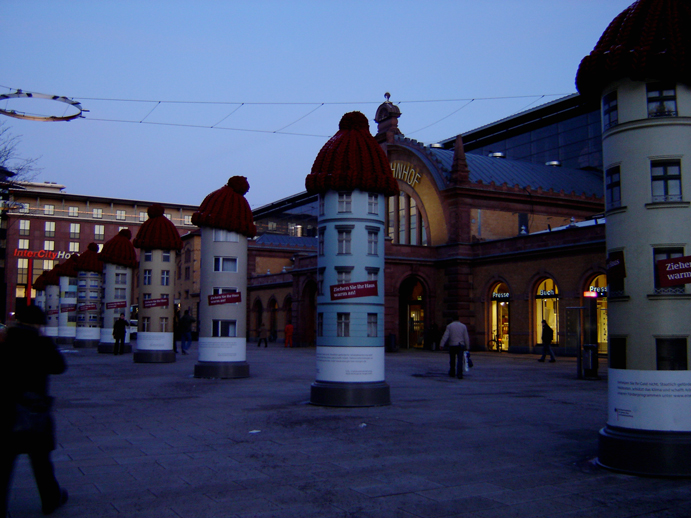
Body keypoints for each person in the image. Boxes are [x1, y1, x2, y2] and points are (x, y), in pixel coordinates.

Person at [1, 305, 68, 516]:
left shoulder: (5, 342)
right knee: (41, 461)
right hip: (34, 410)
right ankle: (50, 499)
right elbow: (59, 366)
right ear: (38, 324)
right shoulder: (41, 343)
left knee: (4, 464)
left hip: (6, 411)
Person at [439, 315, 470, 379]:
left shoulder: (449, 326)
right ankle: (459, 374)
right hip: (460, 345)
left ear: (452, 319)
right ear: (459, 319)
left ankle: (452, 372)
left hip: (452, 345)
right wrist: (467, 346)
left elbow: (445, 336)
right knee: (460, 360)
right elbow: (466, 337)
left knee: (452, 360)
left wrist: (441, 344)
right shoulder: (463, 326)